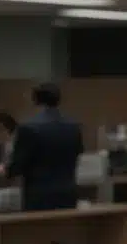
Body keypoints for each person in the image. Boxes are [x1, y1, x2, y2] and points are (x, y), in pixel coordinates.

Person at [8, 82, 84, 211]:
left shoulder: (28, 128)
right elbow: (78, 152)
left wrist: (5, 171)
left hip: (38, 196)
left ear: (35, 100)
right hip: (68, 193)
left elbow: (18, 166)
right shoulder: (74, 127)